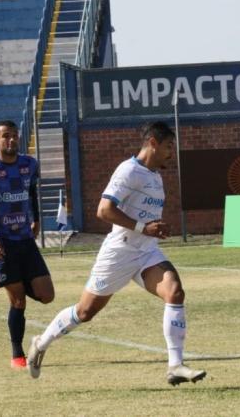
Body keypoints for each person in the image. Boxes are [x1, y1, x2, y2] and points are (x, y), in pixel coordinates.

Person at [26, 121, 206, 386]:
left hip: (146, 252)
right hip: (119, 251)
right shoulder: (129, 170)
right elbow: (104, 210)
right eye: (169, 146)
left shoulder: (155, 175)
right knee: (85, 312)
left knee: (175, 292)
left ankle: (175, 365)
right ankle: (41, 342)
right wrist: (145, 227)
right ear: (153, 143)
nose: (172, 152)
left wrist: (152, 231)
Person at [0, 120, 55, 369]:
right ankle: (17, 353)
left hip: (25, 239)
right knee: (18, 300)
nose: (10, 140)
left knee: (47, 296)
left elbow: (31, 193)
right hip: (2, 241)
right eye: (5, 136)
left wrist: (37, 219)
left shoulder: (29, 164)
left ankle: (4, 277)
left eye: (14, 136)